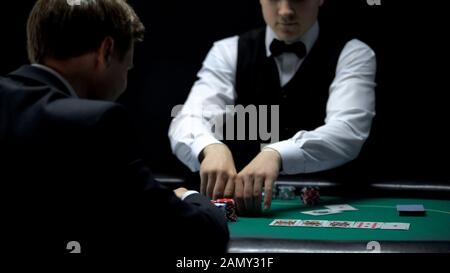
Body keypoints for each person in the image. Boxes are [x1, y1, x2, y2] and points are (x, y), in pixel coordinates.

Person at [0, 0, 228, 255]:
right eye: (128, 68)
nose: (125, 81)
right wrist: (190, 197)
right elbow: (200, 234)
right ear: (106, 51)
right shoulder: (96, 122)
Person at [169, 0, 376, 215]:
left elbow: (347, 131)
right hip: (239, 210)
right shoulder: (227, 51)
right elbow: (188, 118)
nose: (285, 11)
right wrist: (209, 147)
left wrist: (276, 153)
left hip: (328, 199)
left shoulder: (352, 54)